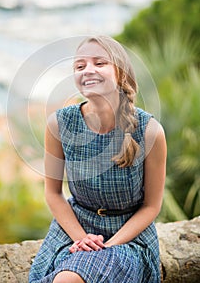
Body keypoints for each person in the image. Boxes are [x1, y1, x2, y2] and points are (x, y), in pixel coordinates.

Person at [29, 35, 166, 283]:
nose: (88, 70)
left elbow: (151, 206)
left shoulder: (149, 131)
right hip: (73, 231)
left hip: (128, 238)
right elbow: (53, 193)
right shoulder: (59, 124)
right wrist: (81, 239)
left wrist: (109, 246)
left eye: (99, 63)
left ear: (121, 74)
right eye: (80, 66)